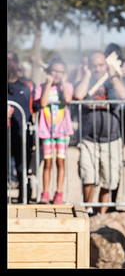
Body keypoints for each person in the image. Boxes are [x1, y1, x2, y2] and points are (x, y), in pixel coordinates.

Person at [74, 50, 125, 215]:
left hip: (111, 139)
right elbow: (78, 95)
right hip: (89, 139)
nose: (97, 69)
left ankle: (101, 215)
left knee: (108, 180)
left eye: (100, 65)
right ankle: (88, 211)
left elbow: (124, 95)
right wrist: (87, 75)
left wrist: (113, 76)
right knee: (88, 176)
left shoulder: (113, 81)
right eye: (94, 65)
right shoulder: (86, 80)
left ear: (106, 65)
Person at [34, 56, 74, 204]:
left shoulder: (67, 86)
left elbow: (68, 99)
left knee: (60, 162)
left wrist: (63, 83)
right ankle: (45, 193)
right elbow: (43, 103)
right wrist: (48, 83)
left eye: (61, 72)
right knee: (48, 162)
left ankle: (59, 193)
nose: (57, 74)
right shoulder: (41, 86)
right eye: (55, 71)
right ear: (49, 71)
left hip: (62, 130)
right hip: (46, 130)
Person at [8, 51, 35, 203]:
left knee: (21, 169)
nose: (8, 64)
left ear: (16, 63)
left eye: (11, 60)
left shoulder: (27, 86)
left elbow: (36, 108)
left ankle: (24, 198)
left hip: (22, 135)